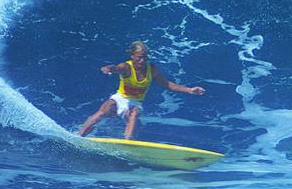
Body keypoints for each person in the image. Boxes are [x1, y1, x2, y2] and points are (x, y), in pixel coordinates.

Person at [77, 40, 206, 139]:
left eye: (144, 57)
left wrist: (189, 90)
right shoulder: (126, 67)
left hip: (135, 102)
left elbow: (167, 84)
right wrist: (108, 69)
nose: (142, 60)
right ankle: (79, 136)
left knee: (134, 113)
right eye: (139, 57)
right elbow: (115, 68)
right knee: (105, 108)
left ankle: (127, 142)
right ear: (132, 55)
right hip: (120, 97)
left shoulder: (152, 69)